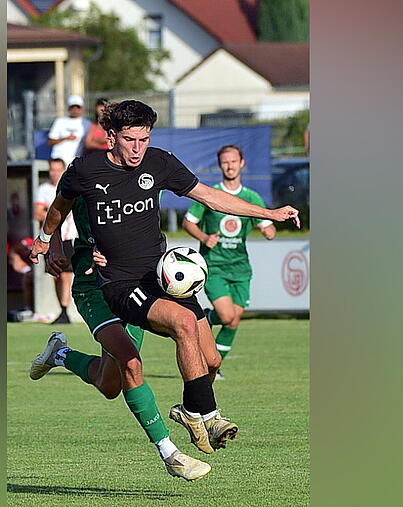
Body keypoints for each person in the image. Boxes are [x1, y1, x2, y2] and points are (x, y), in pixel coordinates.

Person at [29, 100, 300, 463]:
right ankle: (206, 414)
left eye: (144, 139)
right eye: (130, 140)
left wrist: (269, 212)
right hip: (119, 282)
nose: (138, 148)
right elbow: (60, 206)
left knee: (208, 360)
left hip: (160, 275)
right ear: (112, 137)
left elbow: (210, 196)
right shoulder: (86, 169)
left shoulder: (159, 163)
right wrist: (47, 239)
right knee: (180, 326)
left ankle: (66, 356)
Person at [29, 187, 210, 481]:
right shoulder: (85, 173)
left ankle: (60, 354)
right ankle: (170, 453)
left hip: (134, 285)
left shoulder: (144, 175)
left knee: (109, 384)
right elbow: (58, 208)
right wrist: (55, 246)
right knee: (131, 362)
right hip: (93, 287)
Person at [183, 145, 278, 379]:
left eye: (234, 161)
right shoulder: (210, 194)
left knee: (234, 321)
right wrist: (205, 238)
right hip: (214, 265)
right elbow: (188, 222)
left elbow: (268, 226)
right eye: (225, 162)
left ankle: (213, 369)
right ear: (220, 165)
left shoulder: (251, 197)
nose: (230, 166)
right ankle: (207, 319)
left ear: (242, 163)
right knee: (226, 316)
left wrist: (269, 231)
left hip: (241, 268)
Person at [34, 158, 77, 324]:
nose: (55, 173)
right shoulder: (44, 189)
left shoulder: (70, 187)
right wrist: (57, 212)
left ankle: (65, 310)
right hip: (50, 239)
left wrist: (51, 210)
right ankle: (62, 309)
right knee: (55, 274)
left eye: (58, 170)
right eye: (52, 170)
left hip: (68, 237)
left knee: (66, 275)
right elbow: (38, 213)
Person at [47, 95, 88, 165]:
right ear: (69, 108)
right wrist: (66, 138)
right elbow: (50, 142)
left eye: (78, 107)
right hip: (59, 160)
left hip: (76, 161)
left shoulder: (87, 124)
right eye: (72, 107)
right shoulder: (60, 121)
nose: (75, 110)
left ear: (82, 109)